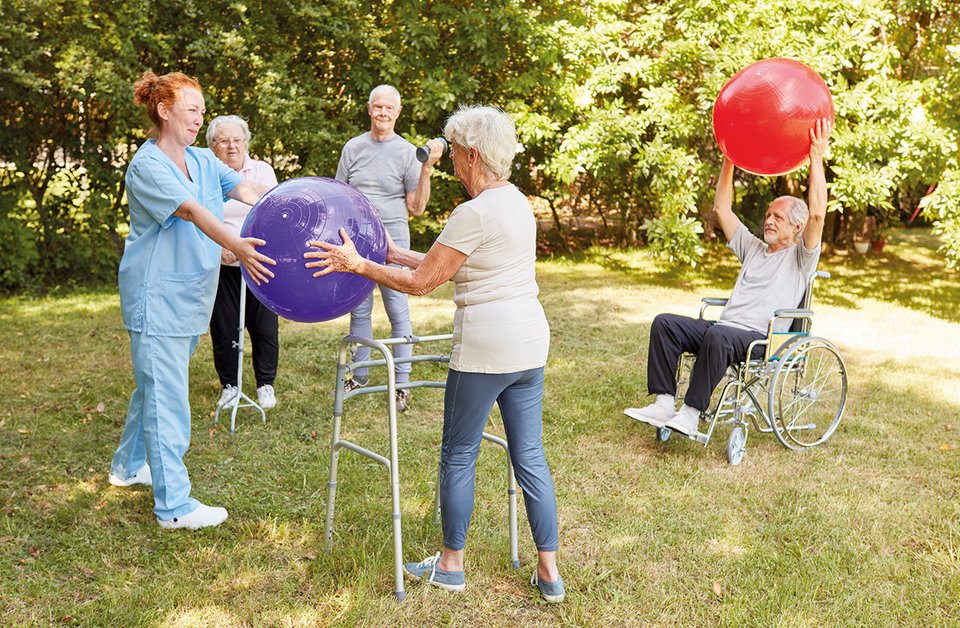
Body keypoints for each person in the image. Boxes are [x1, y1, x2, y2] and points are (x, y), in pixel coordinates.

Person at [306, 106, 564, 602]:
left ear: (471, 154)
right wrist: (385, 251)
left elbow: (423, 283)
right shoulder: (516, 203)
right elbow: (445, 262)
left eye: (456, 157)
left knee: (459, 453)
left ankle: (450, 565)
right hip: (530, 342)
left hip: (486, 346)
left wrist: (356, 265)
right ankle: (549, 573)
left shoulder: (474, 212)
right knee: (529, 454)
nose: (452, 167)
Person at [108, 71, 275, 530]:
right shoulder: (148, 166)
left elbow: (245, 189)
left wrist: (290, 205)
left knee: (154, 387)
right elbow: (193, 211)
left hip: (187, 300)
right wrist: (238, 245)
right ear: (164, 111)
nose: (200, 119)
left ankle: (126, 467)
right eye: (192, 110)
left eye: (203, 111)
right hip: (156, 298)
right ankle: (174, 507)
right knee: (166, 397)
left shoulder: (202, 160)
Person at [625, 118, 833, 437]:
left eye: (777, 217)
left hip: (759, 338)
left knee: (718, 336)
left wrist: (816, 156)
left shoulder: (801, 257)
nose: (769, 221)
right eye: (767, 216)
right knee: (665, 323)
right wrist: (729, 158)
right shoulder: (753, 248)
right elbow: (722, 209)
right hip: (724, 330)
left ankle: (691, 414)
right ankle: (665, 404)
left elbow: (818, 213)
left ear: (797, 228)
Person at [334, 84, 443, 412]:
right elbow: (338, 195)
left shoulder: (408, 152)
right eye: (377, 107)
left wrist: (425, 168)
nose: (382, 113)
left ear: (398, 112)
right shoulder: (352, 148)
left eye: (389, 108)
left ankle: (403, 383)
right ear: (369, 109)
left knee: (398, 308)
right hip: (356, 238)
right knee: (360, 308)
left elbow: (417, 207)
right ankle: (359, 375)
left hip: (394, 239)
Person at [207, 115, 281, 410]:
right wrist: (220, 247)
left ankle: (265, 384)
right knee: (224, 328)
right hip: (222, 262)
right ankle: (230, 386)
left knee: (263, 328)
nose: (231, 146)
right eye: (224, 141)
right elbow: (199, 218)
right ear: (212, 146)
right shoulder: (206, 175)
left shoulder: (262, 171)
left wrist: (244, 248)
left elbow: (273, 213)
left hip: (258, 259)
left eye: (237, 140)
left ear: (246, 143)